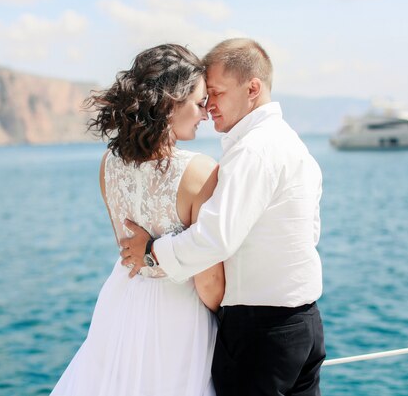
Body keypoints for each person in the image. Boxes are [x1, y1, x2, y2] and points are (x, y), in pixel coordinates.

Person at [120, 38, 326, 396]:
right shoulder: (291, 143)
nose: (208, 105)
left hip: (261, 332)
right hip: (304, 324)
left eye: (215, 92)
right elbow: (311, 232)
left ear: (253, 88)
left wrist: (152, 250)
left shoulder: (253, 150)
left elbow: (216, 238)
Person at [50, 43, 225, 396]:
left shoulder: (109, 165)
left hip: (121, 300)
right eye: (198, 102)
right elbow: (209, 285)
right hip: (178, 316)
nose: (205, 113)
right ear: (169, 103)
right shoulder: (200, 171)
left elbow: (126, 245)